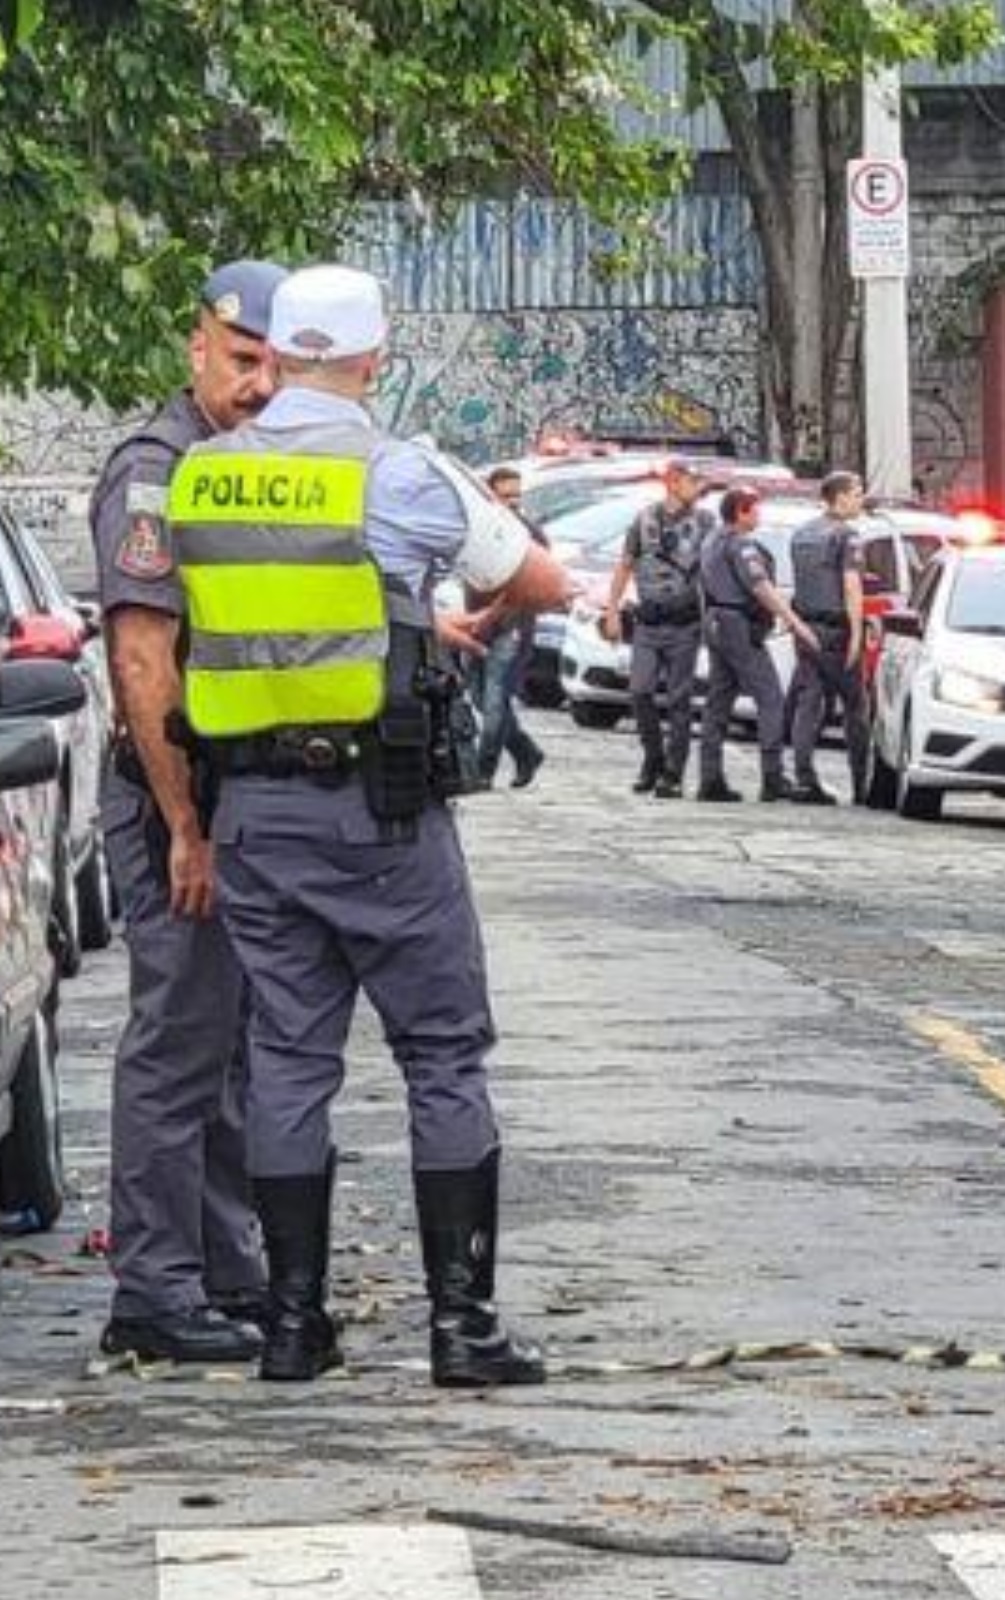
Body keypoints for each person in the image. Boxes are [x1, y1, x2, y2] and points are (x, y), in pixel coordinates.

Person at [165, 264, 570, 1386]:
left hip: (250, 811)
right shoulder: (401, 472)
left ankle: (291, 1327)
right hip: (379, 814)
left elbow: (264, 617)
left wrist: (394, 622)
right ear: (375, 359)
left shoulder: (201, 478)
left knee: (289, 1062)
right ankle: (463, 1328)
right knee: (442, 1055)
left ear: (275, 355)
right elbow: (546, 582)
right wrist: (453, 616)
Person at [89, 261, 287, 1367]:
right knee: (177, 1041)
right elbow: (140, 653)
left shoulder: (242, 468)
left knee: (230, 1042)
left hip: (240, 797)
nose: (258, 383)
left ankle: (224, 1264)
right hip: (180, 796)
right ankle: (155, 1289)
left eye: (274, 363)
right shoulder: (156, 473)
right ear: (195, 348)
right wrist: (184, 826)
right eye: (240, 357)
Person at [697, 487, 818, 803]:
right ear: (741, 512)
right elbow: (761, 587)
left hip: (714, 620)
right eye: (755, 509)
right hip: (738, 623)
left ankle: (709, 777)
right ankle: (772, 776)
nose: (759, 515)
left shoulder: (711, 540)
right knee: (770, 699)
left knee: (719, 700)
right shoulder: (741, 546)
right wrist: (795, 623)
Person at [601, 458, 712, 797]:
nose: (699, 488)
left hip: (684, 623)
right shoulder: (645, 518)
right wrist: (613, 610)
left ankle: (673, 773)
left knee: (680, 699)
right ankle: (653, 757)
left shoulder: (706, 522)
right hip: (649, 621)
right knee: (640, 691)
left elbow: (714, 568)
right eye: (693, 482)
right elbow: (625, 564)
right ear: (674, 483)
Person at [787, 471, 870, 805]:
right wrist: (857, 633)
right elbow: (852, 586)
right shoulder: (848, 537)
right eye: (857, 493)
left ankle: (803, 777)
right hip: (836, 631)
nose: (861, 499)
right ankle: (861, 782)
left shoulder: (801, 534)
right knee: (855, 706)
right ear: (840, 497)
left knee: (809, 703)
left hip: (807, 628)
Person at [470, 467, 546, 789]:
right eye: (506, 496)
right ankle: (525, 750)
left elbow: (545, 580)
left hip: (512, 627)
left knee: (495, 702)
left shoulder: (530, 535)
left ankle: (482, 770)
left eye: (518, 495)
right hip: (476, 624)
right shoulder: (477, 528)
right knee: (478, 698)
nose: (514, 502)